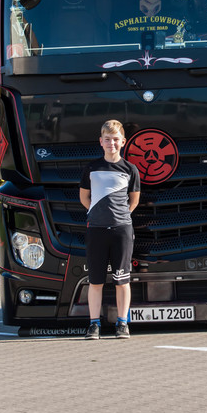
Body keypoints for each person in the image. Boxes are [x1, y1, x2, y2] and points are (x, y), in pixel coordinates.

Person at [79, 119, 141, 339]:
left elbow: (133, 201)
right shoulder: (92, 168)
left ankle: (122, 324)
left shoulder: (130, 169)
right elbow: (84, 197)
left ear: (123, 142)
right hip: (96, 230)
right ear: (101, 142)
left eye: (115, 139)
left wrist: (119, 216)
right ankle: (94, 325)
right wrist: (98, 214)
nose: (111, 143)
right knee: (95, 281)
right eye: (107, 139)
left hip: (121, 230)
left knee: (122, 281)